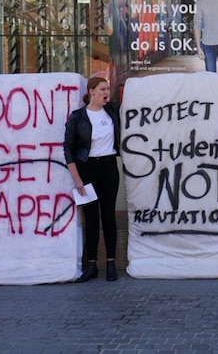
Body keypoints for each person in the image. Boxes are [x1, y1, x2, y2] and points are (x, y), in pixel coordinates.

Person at [64, 76, 121, 282]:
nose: (107, 92)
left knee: (108, 216)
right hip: (86, 168)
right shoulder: (78, 116)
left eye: (108, 89)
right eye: (103, 89)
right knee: (91, 217)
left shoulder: (112, 111)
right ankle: (91, 266)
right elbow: (68, 148)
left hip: (108, 167)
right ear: (92, 91)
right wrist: (76, 177)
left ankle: (111, 263)